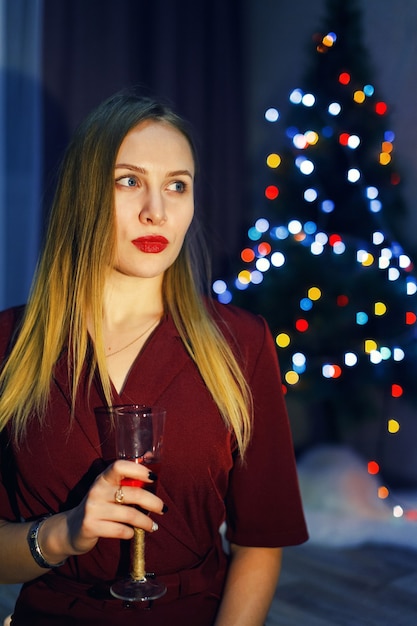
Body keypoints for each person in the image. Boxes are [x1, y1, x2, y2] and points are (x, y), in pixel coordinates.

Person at [0, 90, 308, 625]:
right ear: (84, 194)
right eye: (129, 181)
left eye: (177, 186)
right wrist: (64, 533)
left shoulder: (242, 342)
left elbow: (261, 543)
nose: (156, 211)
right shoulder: (10, 343)